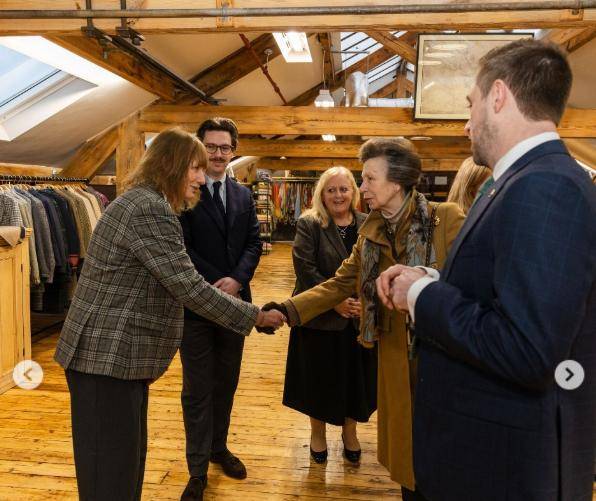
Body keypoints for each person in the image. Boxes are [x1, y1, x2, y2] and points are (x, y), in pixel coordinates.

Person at [377, 39, 596, 501]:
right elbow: (509, 293)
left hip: (505, 468)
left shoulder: (545, 186)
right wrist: (431, 280)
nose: (466, 123)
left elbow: (527, 349)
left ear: (498, 96)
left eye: (470, 103)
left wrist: (421, 297)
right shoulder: (517, 182)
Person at [54, 127, 285, 501]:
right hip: (105, 357)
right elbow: (189, 286)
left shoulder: (145, 202)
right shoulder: (150, 209)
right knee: (109, 476)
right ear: (171, 165)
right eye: (195, 167)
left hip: (115, 360)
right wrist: (255, 316)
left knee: (123, 466)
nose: (202, 178)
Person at [265, 138, 464, 499]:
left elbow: (471, 282)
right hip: (394, 358)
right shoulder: (371, 233)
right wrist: (287, 310)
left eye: (370, 178)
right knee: (408, 456)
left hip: (440, 357)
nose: (363, 187)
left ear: (397, 182)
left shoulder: (445, 219)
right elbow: (340, 283)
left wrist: (426, 285)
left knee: (444, 451)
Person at [178, 117, 262, 500]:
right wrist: (220, 281)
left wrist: (237, 280)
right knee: (197, 389)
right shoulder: (185, 193)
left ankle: (218, 448)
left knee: (226, 382)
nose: (217, 154)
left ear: (233, 150)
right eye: (210, 146)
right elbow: (182, 248)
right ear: (199, 148)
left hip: (235, 306)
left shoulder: (243, 195)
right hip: (196, 307)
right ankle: (197, 470)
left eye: (224, 147)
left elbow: (254, 242)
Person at [283, 166, 376, 464]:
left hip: (357, 319)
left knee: (354, 381)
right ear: (321, 194)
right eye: (331, 190)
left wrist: (364, 302)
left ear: (354, 192)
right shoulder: (309, 223)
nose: (338, 195)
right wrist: (334, 303)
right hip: (319, 319)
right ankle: (317, 434)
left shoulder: (368, 223)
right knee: (318, 381)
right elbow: (305, 269)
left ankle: (350, 433)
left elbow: (375, 267)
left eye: (344, 189)